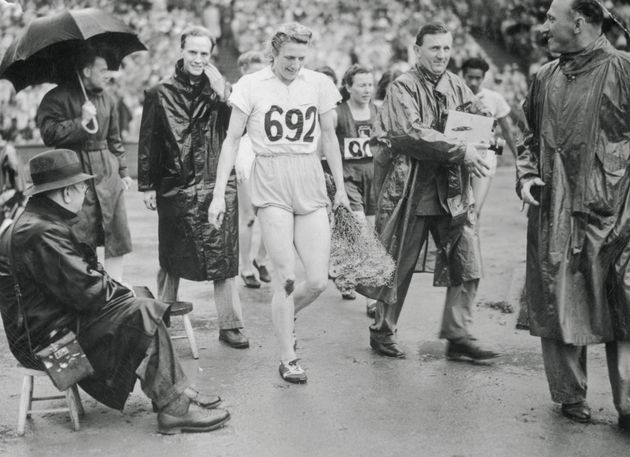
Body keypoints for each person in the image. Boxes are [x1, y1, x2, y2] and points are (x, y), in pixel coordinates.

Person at [0, 149, 230, 435]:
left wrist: (124, 293)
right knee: (143, 310)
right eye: (82, 186)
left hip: (50, 325)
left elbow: (82, 285)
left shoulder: (41, 221)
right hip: (46, 344)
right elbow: (88, 292)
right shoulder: (40, 231)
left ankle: (176, 392)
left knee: (141, 299)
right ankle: (174, 407)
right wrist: (124, 296)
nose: (85, 191)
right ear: (66, 193)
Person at [208, 22, 350, 384]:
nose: (295, 64)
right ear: (274, 52)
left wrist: (342, 190)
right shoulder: (251, 85)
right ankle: (288, 357)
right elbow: (231, 140)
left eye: (302, 57)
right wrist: (218, 193)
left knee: (318, 281)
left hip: (309, 177)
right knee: (285, 278)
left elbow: (330, 138)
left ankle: (286, 319)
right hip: (270, 177)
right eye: (289, 57)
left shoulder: (318, 83)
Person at [517, 0, 630, 430]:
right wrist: (525, 176)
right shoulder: (544, 77)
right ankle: (569, 395)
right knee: (558, 298)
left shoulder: (623, 69)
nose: (545, 27)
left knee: (624, 304)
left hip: (619, 212)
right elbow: (529, 137)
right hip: (555, 210)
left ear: (578, 23)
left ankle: (629, 403)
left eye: (551, 18)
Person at [362, 22, 500, 361]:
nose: (441, 55)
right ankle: (383, 330)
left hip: (451, 189)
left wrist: (486, 130)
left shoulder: (456, 85)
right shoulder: (401, 87)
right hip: (412, 188)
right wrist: (461, 149)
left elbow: (477, 117)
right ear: (417, 49)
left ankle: (458, 333)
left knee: (467, 258)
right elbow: (410, 133)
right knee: (399, 263)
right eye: (434, 48)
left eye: (446, 48)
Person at [138, 26, 249, 350]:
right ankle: (161, 319)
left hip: (216, 182)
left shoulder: (222, 91)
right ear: (182, 51)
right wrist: (147, 184)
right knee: (171, 258)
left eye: (204, 53)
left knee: (223, 257)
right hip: (177, 185)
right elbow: (149, 142)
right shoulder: (160, 93)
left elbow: (239, 128)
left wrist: (225, 93)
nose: (199, 59)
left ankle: (231, 324)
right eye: (193, 52)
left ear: (211, 54)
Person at [36, 45, 132, 282]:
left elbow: (114, 139)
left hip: (107, 173)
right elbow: (49, 135)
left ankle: (115, 289)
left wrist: (123, 171)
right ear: (87, 70)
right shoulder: (56, 98)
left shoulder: (109, 98)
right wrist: (81, 122)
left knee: (115, 235)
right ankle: (87, 289)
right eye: (102, 69)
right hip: (73, 172)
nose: (108, 74)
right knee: (80, 234)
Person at [333, 64, 378, 304]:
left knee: (371, 232)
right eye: (361, 84)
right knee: (361, 232)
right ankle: (372, 297)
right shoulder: (338, 113)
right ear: (348, 86)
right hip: (349, 177)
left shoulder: (378, 111)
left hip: (374, 177)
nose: (367, 89)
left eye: (370, 84)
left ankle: (346, 274)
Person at [461, 57, 519, 216]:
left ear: (483, 77)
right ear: (463, 76)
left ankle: (473, 240)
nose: (473, 82)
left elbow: (506, 131)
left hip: (484, 159)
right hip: (460, 157)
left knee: (474, 212)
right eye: (470, 77)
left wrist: (518, 159)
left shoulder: (494, 98)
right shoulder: (454, 96)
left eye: (477, 78)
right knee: (458, 212)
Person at [234, 50, 270, 288]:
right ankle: (245, 266)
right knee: (248, 217)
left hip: (267, 154)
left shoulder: (270, 91)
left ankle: (261, 258)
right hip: (245, 154)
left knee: (273, 214)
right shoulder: (237, 93)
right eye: (253, 72)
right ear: (243, 71)